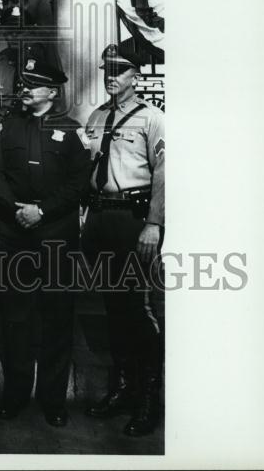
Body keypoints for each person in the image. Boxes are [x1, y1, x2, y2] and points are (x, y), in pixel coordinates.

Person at [0, 55, 89, 426]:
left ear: (53, 92)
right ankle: (15, 395)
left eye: (33, 84)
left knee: (57, 319)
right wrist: (15, 209)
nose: (24, 89)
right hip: (16, 237)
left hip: (56, 238)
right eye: (24, 83)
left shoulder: (72, 131)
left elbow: (79, 183)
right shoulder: (8, 126)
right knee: (15, 319)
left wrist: (42, 211)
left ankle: (53, 400)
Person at [82, 43, 165, 437]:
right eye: (107, 70)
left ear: (136, 75)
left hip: (134, 220)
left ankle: (149, 400)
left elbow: (165, 173)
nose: (111, 76)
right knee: (113, 309)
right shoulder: (97, 117)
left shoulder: (153, 119)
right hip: (101, 219)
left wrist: (154, 224)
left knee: (137, 310)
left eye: (119, 70)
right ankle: (123, 389)